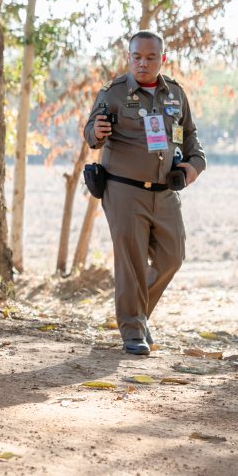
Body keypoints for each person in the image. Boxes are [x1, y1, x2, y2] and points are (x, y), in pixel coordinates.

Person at [84, 30, 205, 355]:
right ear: (129, 57)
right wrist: (96, 131)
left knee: (172, 256)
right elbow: (91, 133)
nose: (143, 63)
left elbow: (190, 136)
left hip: (166, 191)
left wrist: (194, 166)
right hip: (124, 189)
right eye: (137, 57)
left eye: (151, 57)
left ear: (161, 59)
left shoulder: (175, 93)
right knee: (131, 262)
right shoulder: (113, 93)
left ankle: (136, 315)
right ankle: (133, 330)